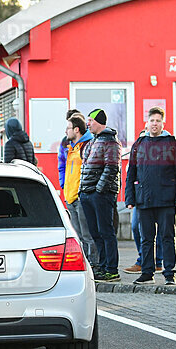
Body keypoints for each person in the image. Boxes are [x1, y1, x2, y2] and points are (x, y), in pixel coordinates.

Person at [125, 107, 176, 285]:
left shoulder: (171, 143)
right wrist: (130, 198)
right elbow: (132, 173)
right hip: (144, 200)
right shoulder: (139, 144)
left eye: (158, 121)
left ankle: (169, 273)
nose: (155, 124)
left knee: (167, 237)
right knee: (146, 239)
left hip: (166, 200)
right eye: (152, 120)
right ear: (147, 123)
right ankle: (147, 273)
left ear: (163, 123)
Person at [79, 109, 122, 282]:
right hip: (87, 193)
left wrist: (99, 190)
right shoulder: (92, 141)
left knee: (106, 232)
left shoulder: (110, 142)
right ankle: (103, 267)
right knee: (96, 233)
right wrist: (83, 191)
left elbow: (112, 168)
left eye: (90, 120)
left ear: (99, 121)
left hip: (101, 195)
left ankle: (111, 269)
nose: (87, 123)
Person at [63, 114, 98, 268]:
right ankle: (83, 265)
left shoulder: (86, 147)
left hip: (80, 197)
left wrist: (81, 192)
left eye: (68, 128)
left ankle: (93, 264)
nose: (66, 131)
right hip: (70, 197)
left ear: (76, 130)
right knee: (78, 236)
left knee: (87, 235)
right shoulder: (72, 148)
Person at [59, 109, 82, 188]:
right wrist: (63, 184)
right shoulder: (65, 142)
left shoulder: (89, 140)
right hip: (69, 189)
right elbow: (61, 164)